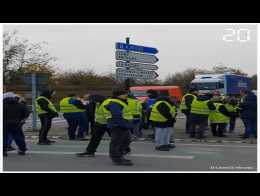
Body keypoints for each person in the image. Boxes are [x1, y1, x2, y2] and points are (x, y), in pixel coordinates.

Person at [103, 89, 133, 166]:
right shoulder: (115, 103)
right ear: (119, 95)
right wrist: (123, 125)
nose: (127, 95)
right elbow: (117, 115)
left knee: (126, 140)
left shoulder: (119, 101)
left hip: (122, 125)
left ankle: (119, 156)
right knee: (117, 142)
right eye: (125, 94)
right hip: (118, 125)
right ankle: (117, 158)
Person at [3, 92, 30, 157]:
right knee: (18, 136)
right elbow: (26, 113)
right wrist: (21, 119)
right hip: (16, 122)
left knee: (4, 136)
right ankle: (22, 149)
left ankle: (3, 151)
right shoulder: (19, 104)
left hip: (4, 122)